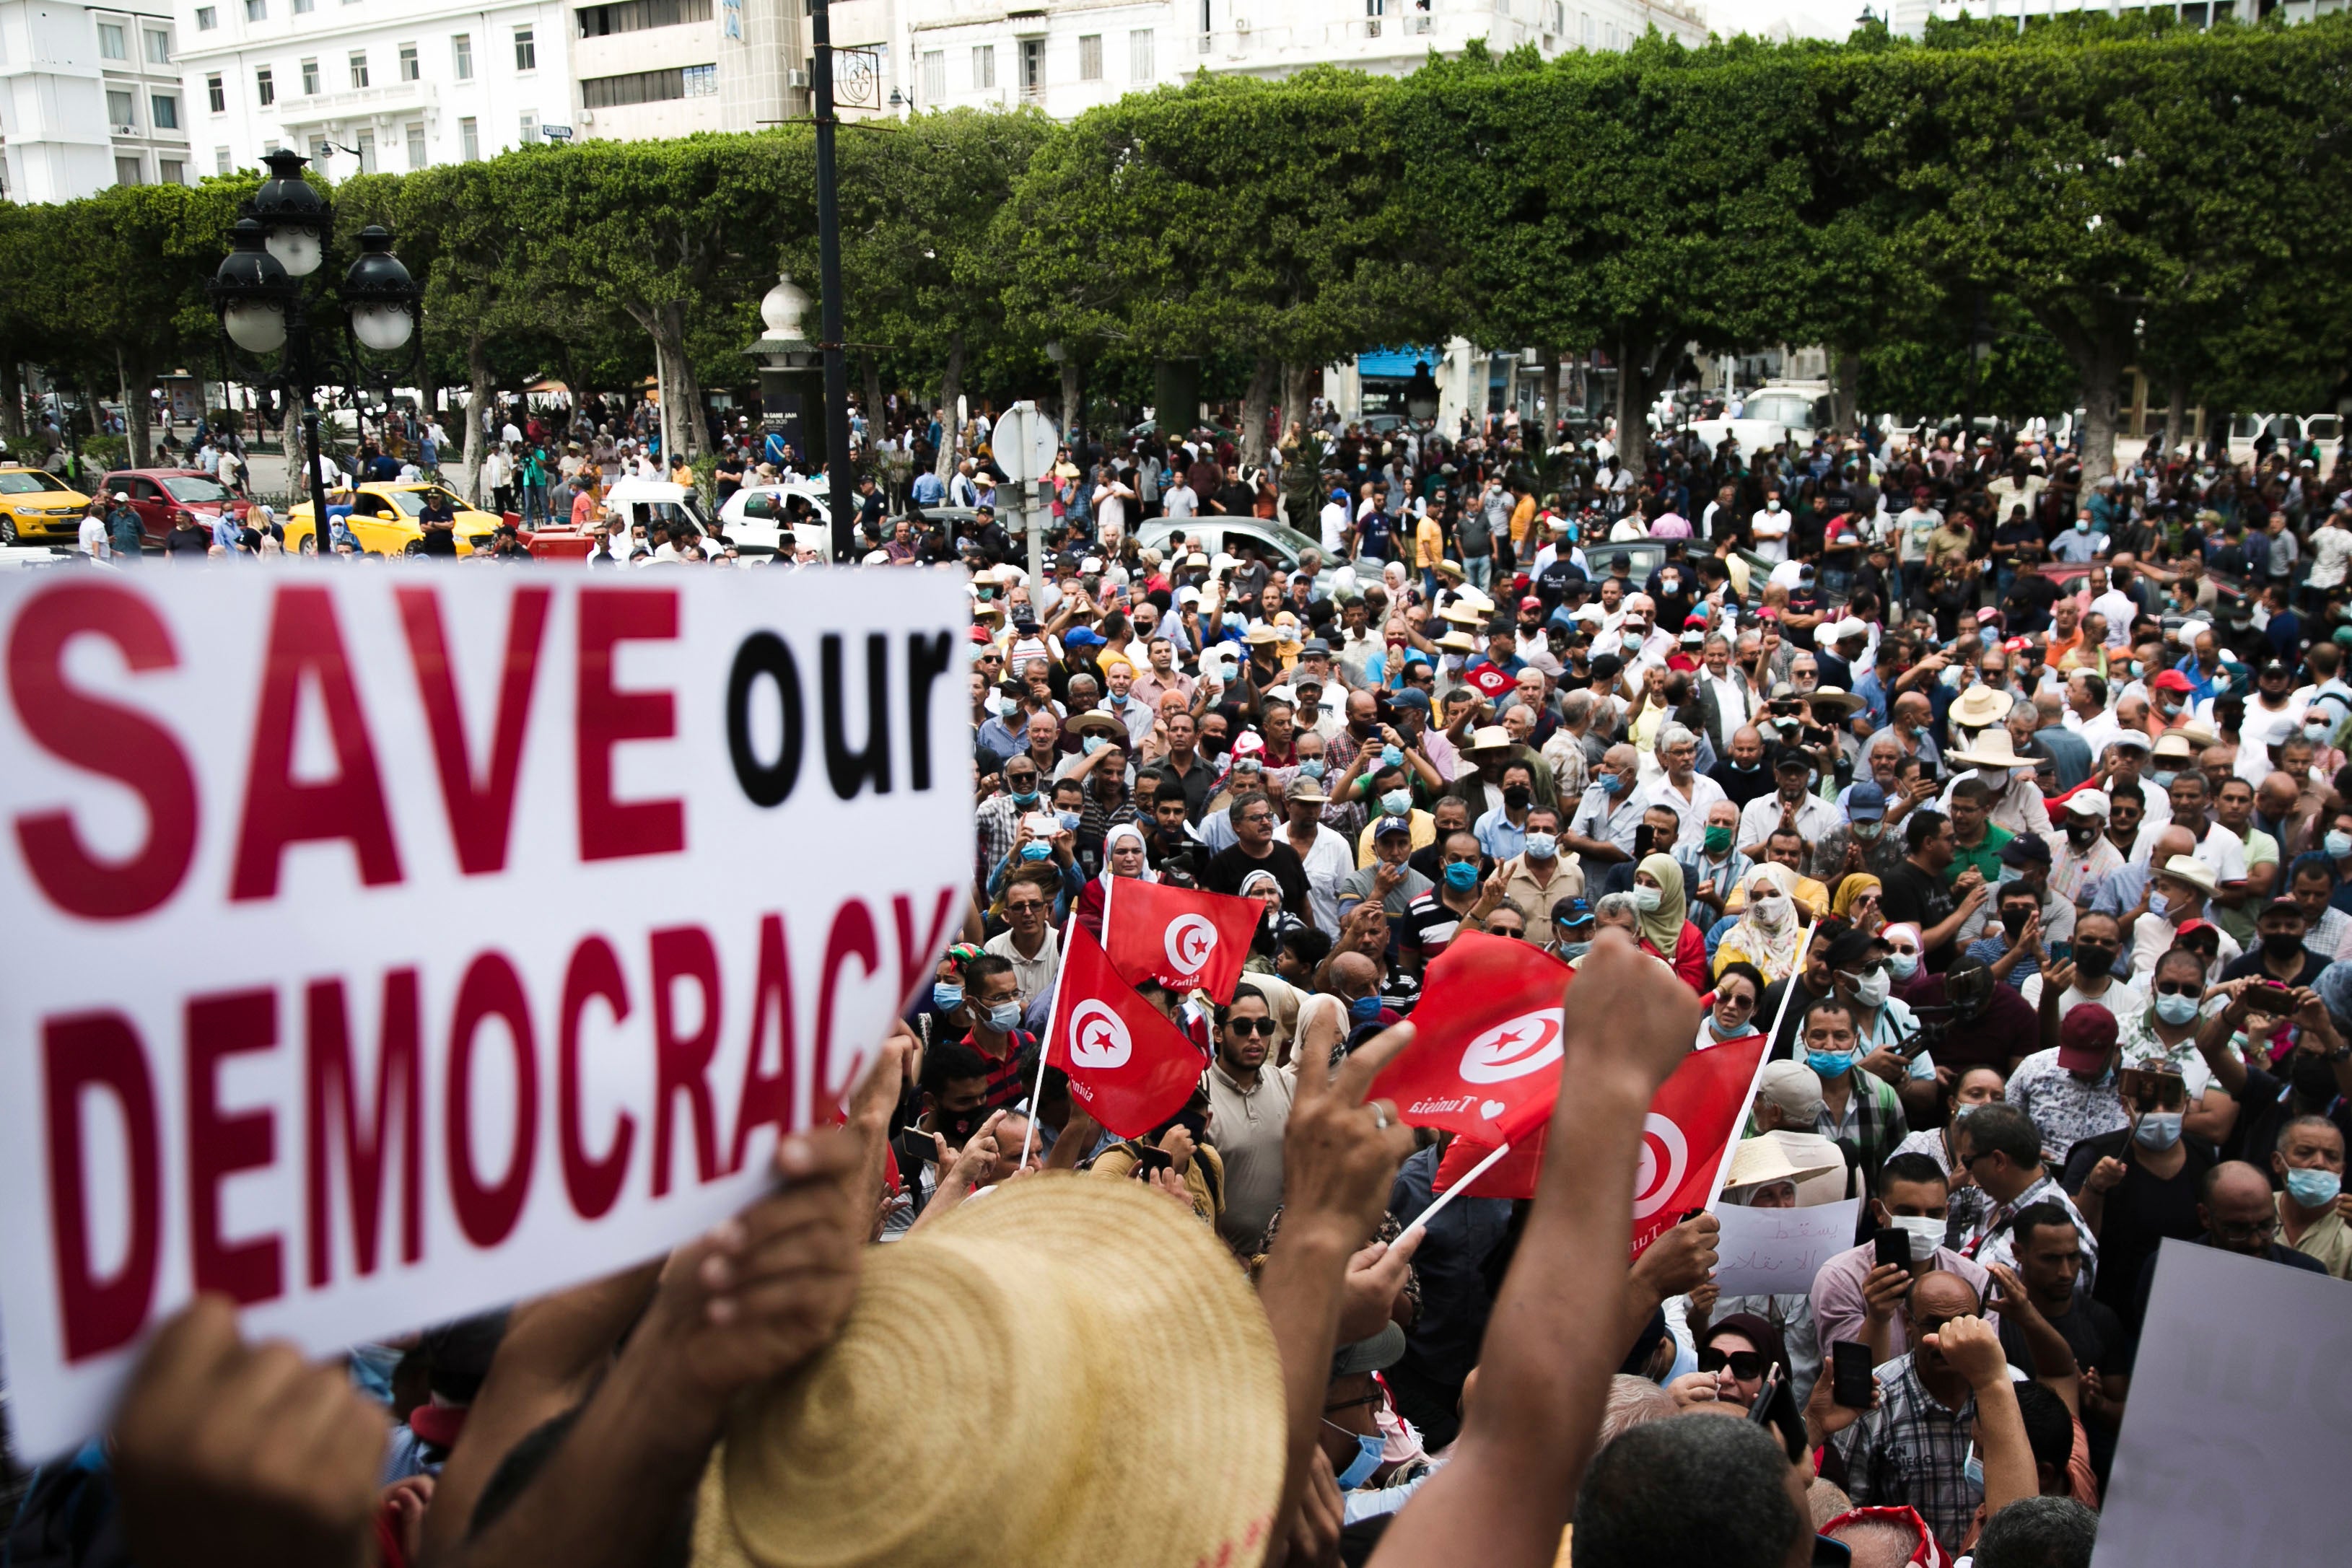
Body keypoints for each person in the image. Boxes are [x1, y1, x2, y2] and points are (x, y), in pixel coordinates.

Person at [1812, 1152, 1992, 1364]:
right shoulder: (1842, 1278)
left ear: (1947, 1212)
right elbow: (1853, 1382)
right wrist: (1877, 1319)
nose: (1923, 1224)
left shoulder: (1974, 1279)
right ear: (1879, 1211)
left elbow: (1985, 1366)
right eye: (1908, 1212)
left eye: (1934, 1214)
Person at [1957, 1103, 2098, 1290]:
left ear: (1998, 1161)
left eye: (1968, 1161)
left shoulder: (2060, 1238)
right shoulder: (1996, 1194)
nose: (1968, 1171)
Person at [2270, 1114, 2351, 1278]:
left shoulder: (2349, 1224)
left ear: (2342, 1171)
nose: (2319, 1163)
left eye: (2331, 1156)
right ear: (2278, 1162)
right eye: (2305, 1153)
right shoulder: (2256, 1210)